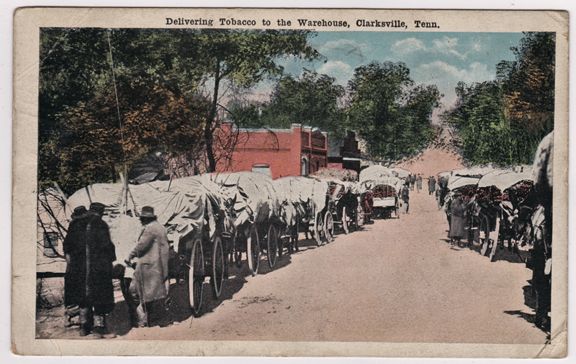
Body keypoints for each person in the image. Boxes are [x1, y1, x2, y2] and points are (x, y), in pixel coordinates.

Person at [63, 202, 117, 338]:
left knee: (83, 298)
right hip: (97, 269)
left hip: (79, 269)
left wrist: (73, 265)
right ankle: (99, 330)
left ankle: (84, 328)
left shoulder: (75, 224)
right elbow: (108, 248)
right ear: (101, 212)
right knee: (100, 297)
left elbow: (67, 247)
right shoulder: (101, 225)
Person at [126, 206, 170, 328]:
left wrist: (129, 256)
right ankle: (149, 317)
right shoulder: (161, 227)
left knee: (133, 290)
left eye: (142, 219)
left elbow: (141, 246)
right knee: (151, 292)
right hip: (159, 264)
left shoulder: (150, 229)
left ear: (145, 218)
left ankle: (142, 318)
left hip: (148, 265)